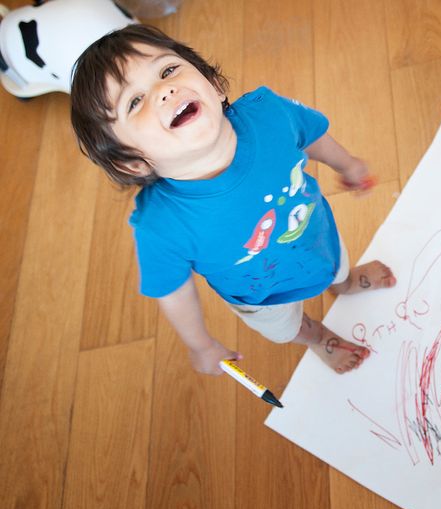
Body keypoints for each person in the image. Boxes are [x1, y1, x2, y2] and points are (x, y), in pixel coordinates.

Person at [70, 25, 396, 375]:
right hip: (262, 295)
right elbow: (174, 292)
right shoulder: (160, 226)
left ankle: (344, 283)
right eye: (135, 102)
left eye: (167, 70)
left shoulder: (269, 113)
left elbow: (310, 134)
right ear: (132, 162)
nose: (165, 90)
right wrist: (200, 345)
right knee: (287, 328)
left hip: (317, 236)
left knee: (336, 265)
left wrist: (346, 164)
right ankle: (316, 336)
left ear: (214, 84)